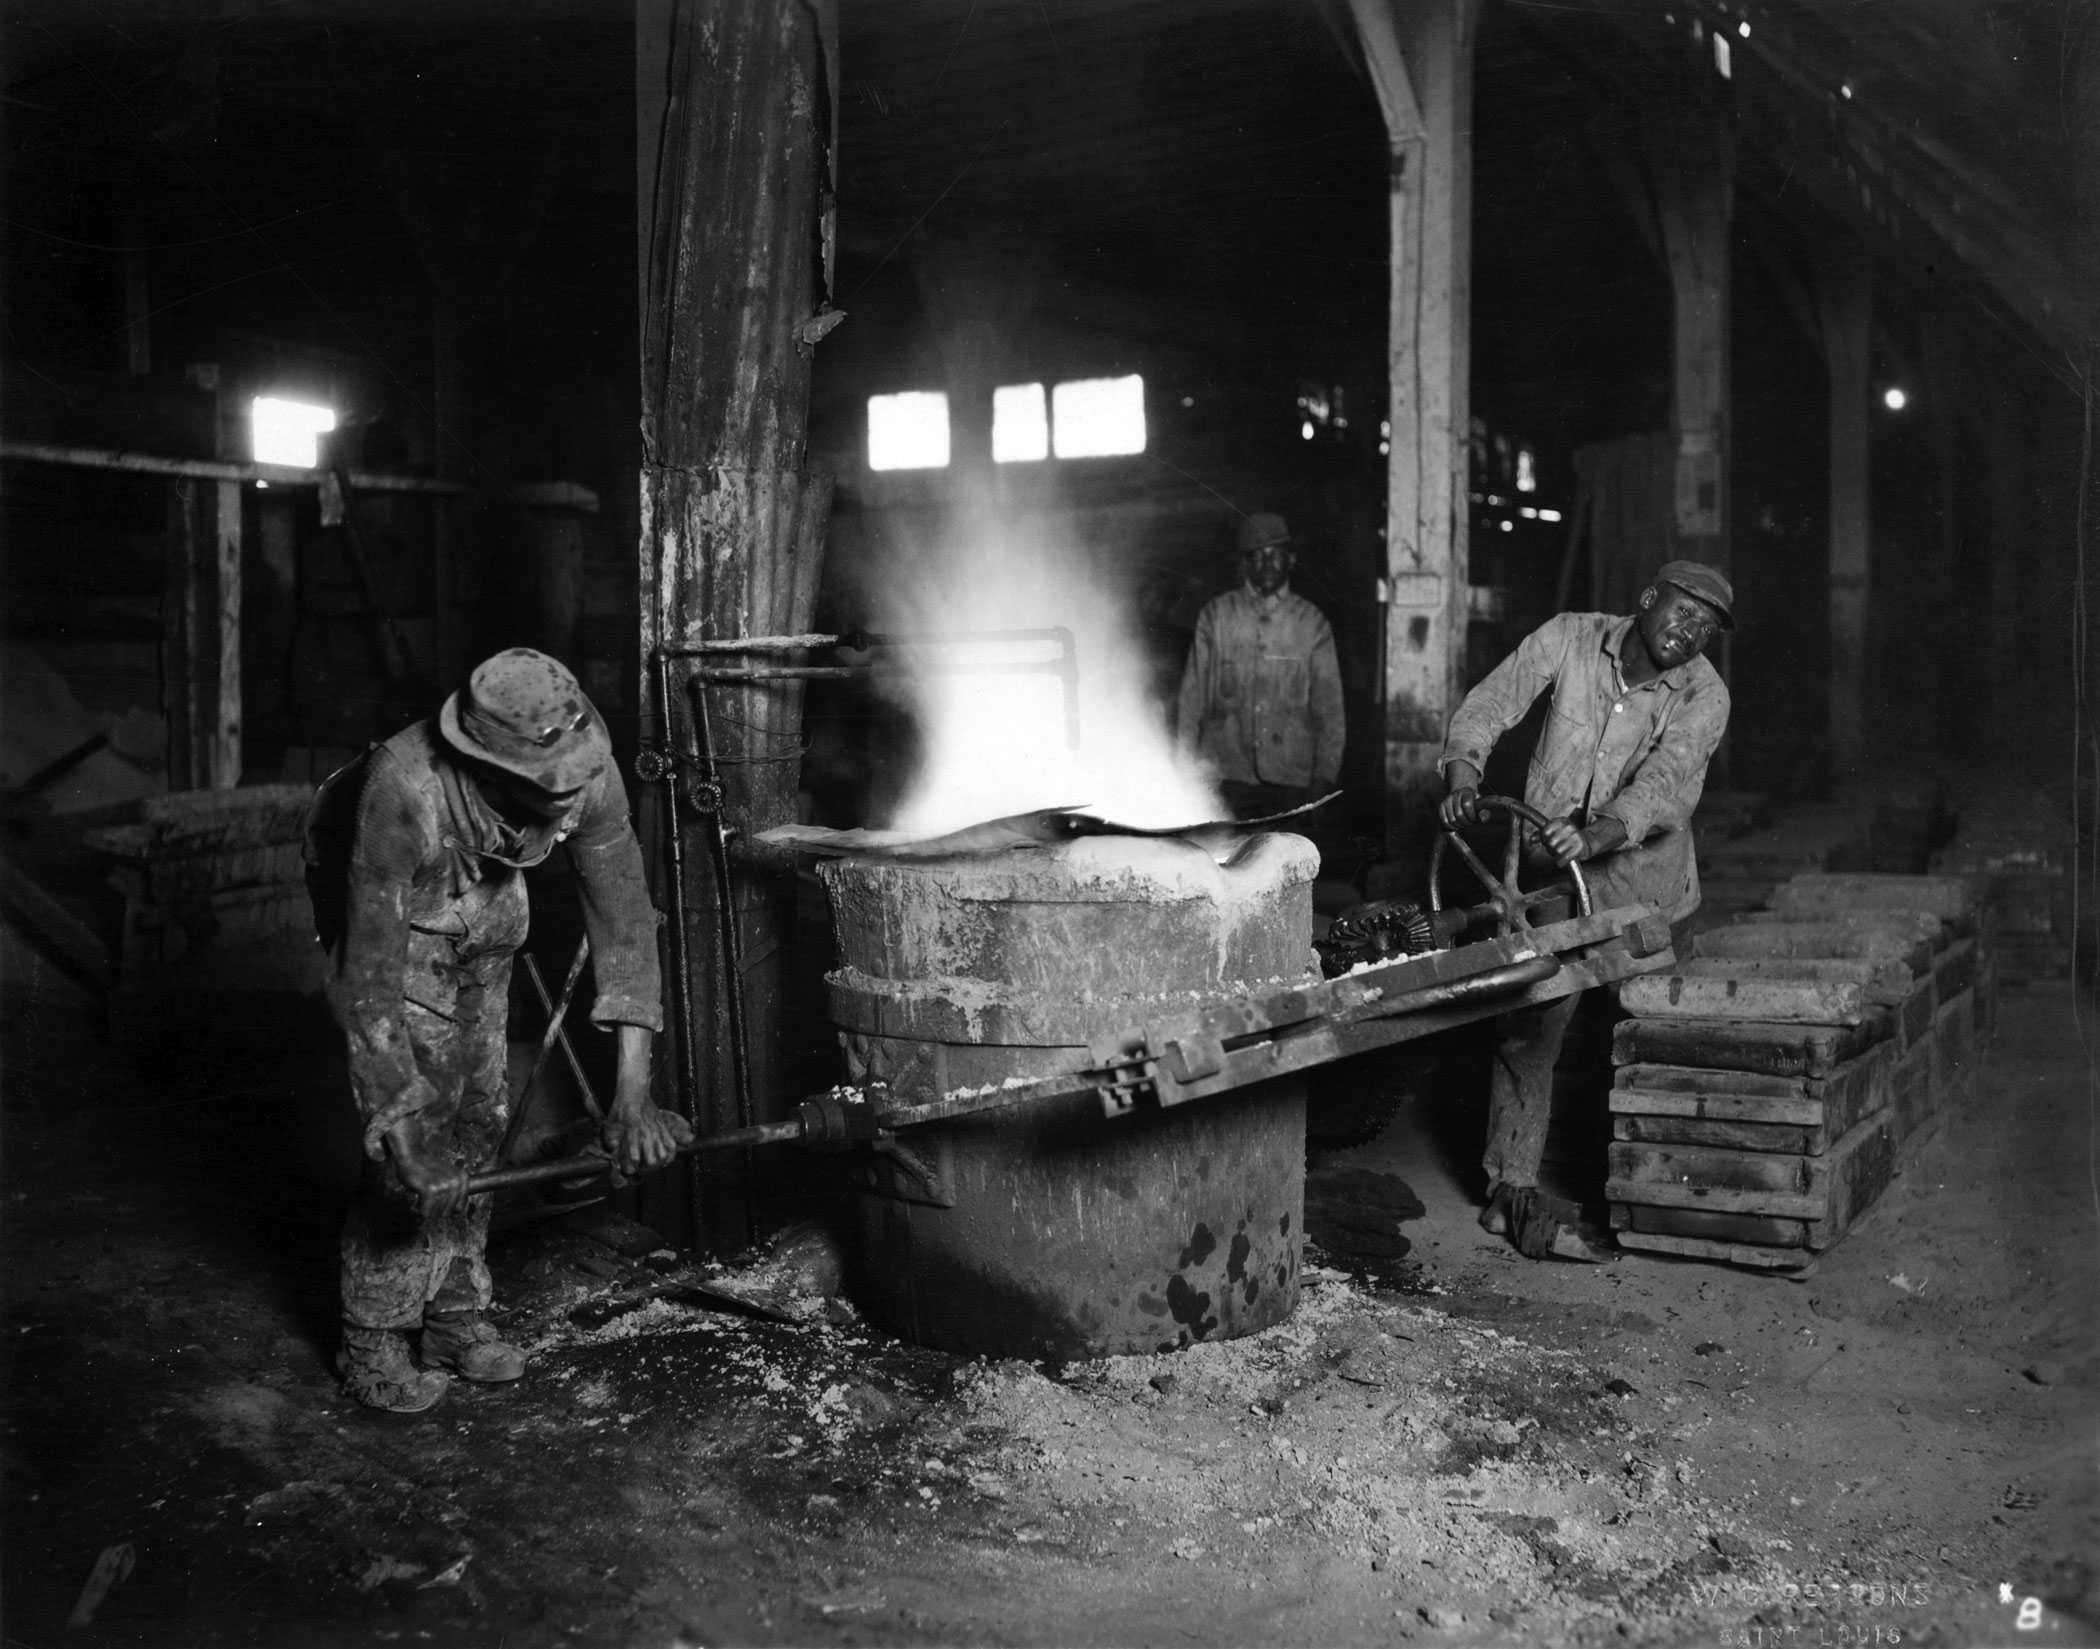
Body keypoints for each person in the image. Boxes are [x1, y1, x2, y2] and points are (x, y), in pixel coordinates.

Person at [305, 647, 691, 1412]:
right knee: (422, 1132)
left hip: (485, 896)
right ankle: (372, 1334)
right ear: (489, 764)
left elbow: (623, 922)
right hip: (394, 901)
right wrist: (401, 1121)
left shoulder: (585, 763)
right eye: (555, 790)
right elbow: (368, 984)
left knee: (483, 1111)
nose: (576, 798)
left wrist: (634, 1096)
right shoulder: (400, 790)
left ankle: (454, 1312)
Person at [1437, 560, 1734, 1261]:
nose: (1689, 633)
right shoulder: (1570, 638)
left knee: (1649, 1038)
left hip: (1644, 891)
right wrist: (1463, 769)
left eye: (1706, 628)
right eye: (1682, 611)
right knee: (1531, 1024)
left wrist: (1601, 829)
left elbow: (1666, 783)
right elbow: (1491, 701)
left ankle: (1660, 1202)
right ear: (1646, 599)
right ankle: (1508, 1188)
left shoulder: (1705, 695)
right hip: (1550, 884)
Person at [1175, 511, 1344, 819]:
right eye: (1257, 556)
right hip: (1225, 776)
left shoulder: (1312, 624)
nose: (1266, 564)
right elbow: (1191, 701)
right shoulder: (1216, 617)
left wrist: (1324, 778)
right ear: (1245, 564)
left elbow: (1330, 711)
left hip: (1291, 780)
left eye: (1275, 555)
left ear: (1290, 560)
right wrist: (1183, 769)